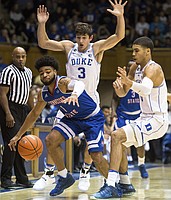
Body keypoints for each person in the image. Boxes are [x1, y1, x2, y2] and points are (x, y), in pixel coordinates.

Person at [34, 0, 127, 191]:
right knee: (52, 137)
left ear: (90, 38)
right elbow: (43, 42)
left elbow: (119, 36)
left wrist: (120, 16)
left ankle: (86, 171)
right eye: (78, 37)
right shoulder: (69, 47)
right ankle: (51, 173)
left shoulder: (96, 48)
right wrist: (42, 23)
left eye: (84, 37)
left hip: (89, 100)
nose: (81, 41)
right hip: (68, 99)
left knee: (91, 144)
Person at [8, 55, 108, 197]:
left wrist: (74, 94)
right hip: (72, 119)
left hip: (91, 118)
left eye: (47, 71)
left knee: (95, 154)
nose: (44, 74)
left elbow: (79, 84)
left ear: (54, 71)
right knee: (50, 140)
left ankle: (111, 184)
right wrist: (18, 135)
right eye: (41, 72)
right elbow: (34, 114)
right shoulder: (44, 94)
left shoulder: (63, 82)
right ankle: (63, 176)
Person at [93, 36, 168, 199]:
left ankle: (112, 184)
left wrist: (128, 81)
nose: (133, 54)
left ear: (147, 51)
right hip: (144, 117)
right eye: (132, 50)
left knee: (116, 136)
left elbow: (146, 89)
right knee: (119, 142)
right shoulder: (135, 67)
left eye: (136, 50)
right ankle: (125, 183)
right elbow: (124, 93)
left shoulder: (153, 68)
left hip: (157, 120)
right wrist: (120, 87)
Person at [0, 47, 33, 189]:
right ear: (13, 57)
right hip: (9, 108)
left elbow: (29, 93)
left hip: (23, 110)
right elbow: (2, 94)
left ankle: (21, 178)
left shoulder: (29, 72)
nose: (20, 59)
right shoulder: (8, 71)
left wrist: (32, 112)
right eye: (17, 56)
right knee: (11, 144)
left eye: (23, 56)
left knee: (21, 145)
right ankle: (5, 178)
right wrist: (8, 113)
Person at [113, 62, 148, 179]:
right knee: (119, 142)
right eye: (129, 66)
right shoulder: (121, 80)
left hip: (138, 115)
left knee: (140, 143)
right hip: (123, 115)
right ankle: (122, 172)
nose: (131, 68)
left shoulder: (142, 80)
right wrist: (113, 112)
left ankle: (141, 163)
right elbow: (115, 98)